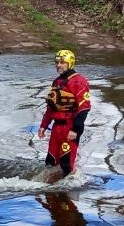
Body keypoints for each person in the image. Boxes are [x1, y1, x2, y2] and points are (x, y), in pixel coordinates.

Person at [37, 49, 91, 178]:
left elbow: (84, 108)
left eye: (62, 62)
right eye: (57, 62)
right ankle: (51, 191)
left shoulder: (79, 81)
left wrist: (75, 129)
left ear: (70, 63)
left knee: (67, 164)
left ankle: (67, 193)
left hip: (70, 127)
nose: (58, 65)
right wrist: (43, 126)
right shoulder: (57, 82)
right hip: (56, 128)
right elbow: (51, 107)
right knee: (50, 162)